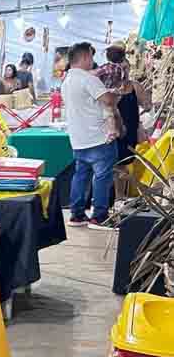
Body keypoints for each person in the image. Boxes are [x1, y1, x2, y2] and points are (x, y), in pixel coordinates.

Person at [62, 42, 119, 230]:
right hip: (98, 138)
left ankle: (77, 215)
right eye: (91, 57)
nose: (93, 61)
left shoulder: (67, 81)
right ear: (86, 56)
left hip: (78, 139)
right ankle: (99, 217)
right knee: (102, 177)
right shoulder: (88, 79)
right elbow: (108, 100)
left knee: (80, 176)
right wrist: (117, 93)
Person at [115, 78, 152, 202]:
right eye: (122, 68)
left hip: (130, 132)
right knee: (118, 166)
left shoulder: (134, 86)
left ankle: (122, 197)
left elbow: (147, 105)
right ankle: (119, 197)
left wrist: (146, 104)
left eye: (126, 68)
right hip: (115, 131)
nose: (124, 72)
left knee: (124, 164)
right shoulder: (111, 86)